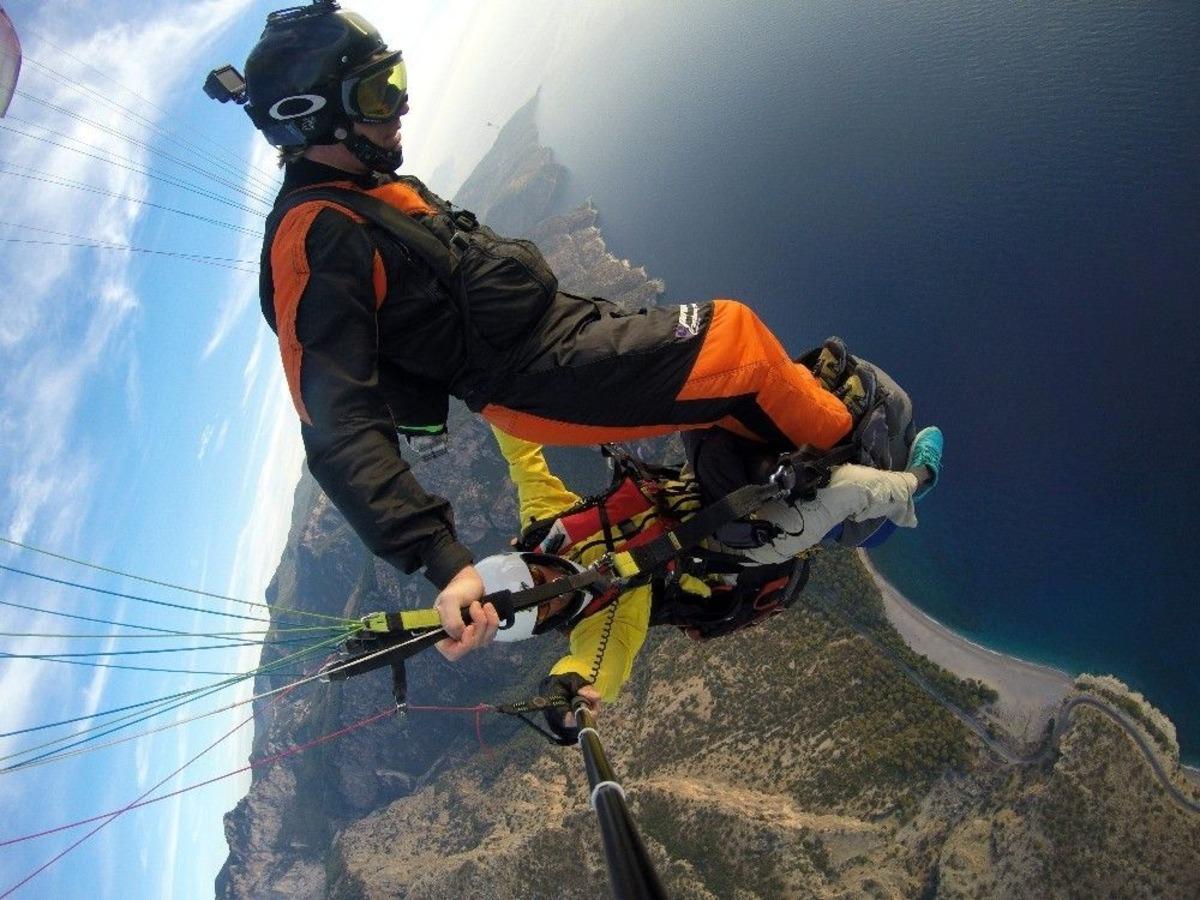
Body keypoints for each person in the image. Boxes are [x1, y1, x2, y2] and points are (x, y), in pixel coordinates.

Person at [215, 2, 883, 660]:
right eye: (375, 91)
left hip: (564, 336)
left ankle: (784, 451)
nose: (399, 107)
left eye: (395, 80)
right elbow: (338, 428)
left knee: (728, 375)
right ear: (307, 116)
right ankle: (858, 476)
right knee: (735, 345)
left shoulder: (363, 188)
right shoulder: (314, 238)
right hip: (547, 376)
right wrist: (442, 560)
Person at [478, 420, 943, 730]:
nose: (552, 595)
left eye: (538, 581)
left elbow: (523, 461)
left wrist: (490, 396)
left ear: (528, 560)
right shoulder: (605, 615)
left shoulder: (546, 525)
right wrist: (569, 687)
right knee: (845, 493)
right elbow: (600, 663)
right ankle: (916, 483)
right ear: (543, 626)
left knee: (712, 410)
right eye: (544, 609)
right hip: (730, 547)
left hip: (690, 490)